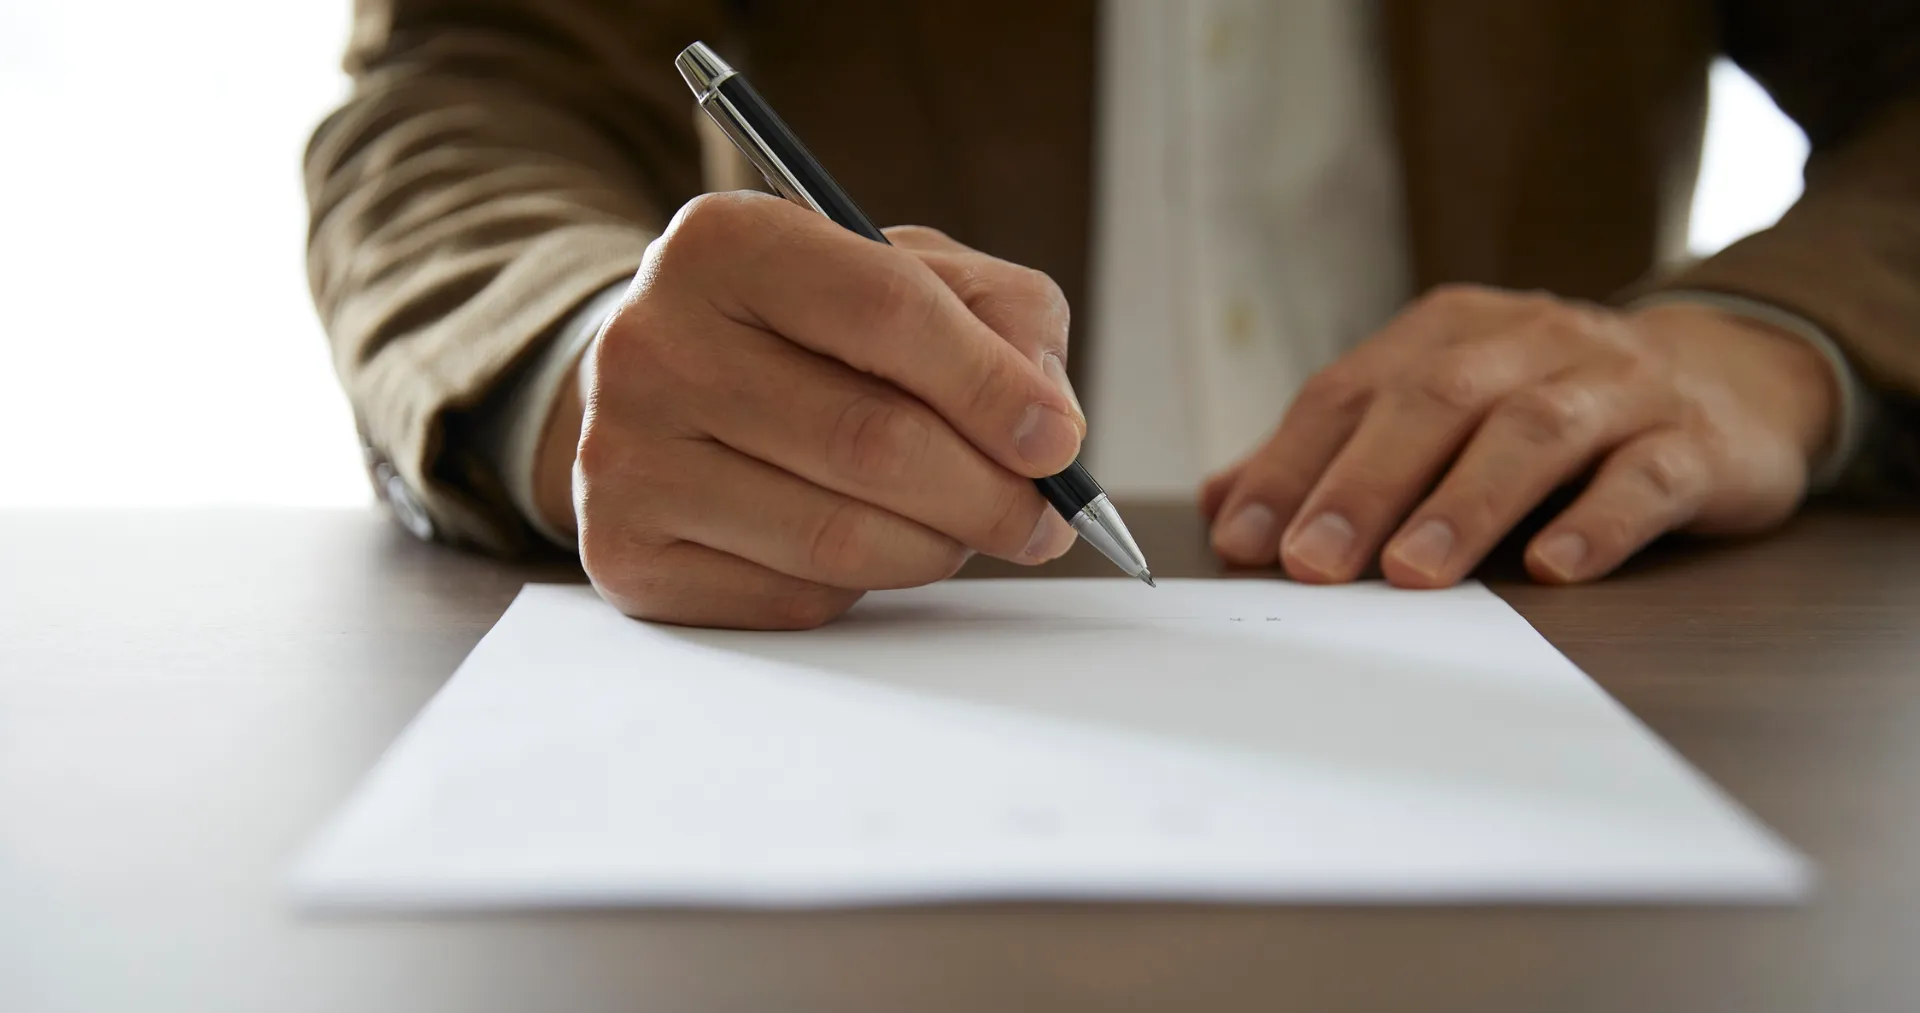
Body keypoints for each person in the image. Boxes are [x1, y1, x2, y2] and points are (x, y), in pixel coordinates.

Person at [306, 0, 1919, 629]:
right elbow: (463, 90)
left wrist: (1768, 345)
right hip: (868, 654)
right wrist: (598, 361)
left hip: (1563, 602)